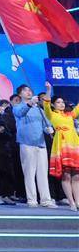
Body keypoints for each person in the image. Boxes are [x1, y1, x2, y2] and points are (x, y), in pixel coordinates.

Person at [12, 83, 55, 208]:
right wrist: (30, 104)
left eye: (30, 90)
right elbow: (20, 113)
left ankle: (46, 200)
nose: (29, 92)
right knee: (29, 173)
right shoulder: (18, 107)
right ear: (20, 94)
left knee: (42, 173)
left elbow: (46, 123)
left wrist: (48, 129)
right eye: (25, 91)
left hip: (40, 143)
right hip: (26, 143)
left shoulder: (39, 109)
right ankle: (32, 200)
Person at [42, 83, 78, 211]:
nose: (61, 104)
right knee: (66, 175)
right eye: (58, 102)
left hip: (74, 144)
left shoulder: (70, 115)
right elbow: (46, 105)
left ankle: (78, 201)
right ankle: (71, 202)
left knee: (77, 176)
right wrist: (48, 90)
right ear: (53, 105)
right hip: (62, 145)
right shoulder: (51, 114)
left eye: (62, 102)